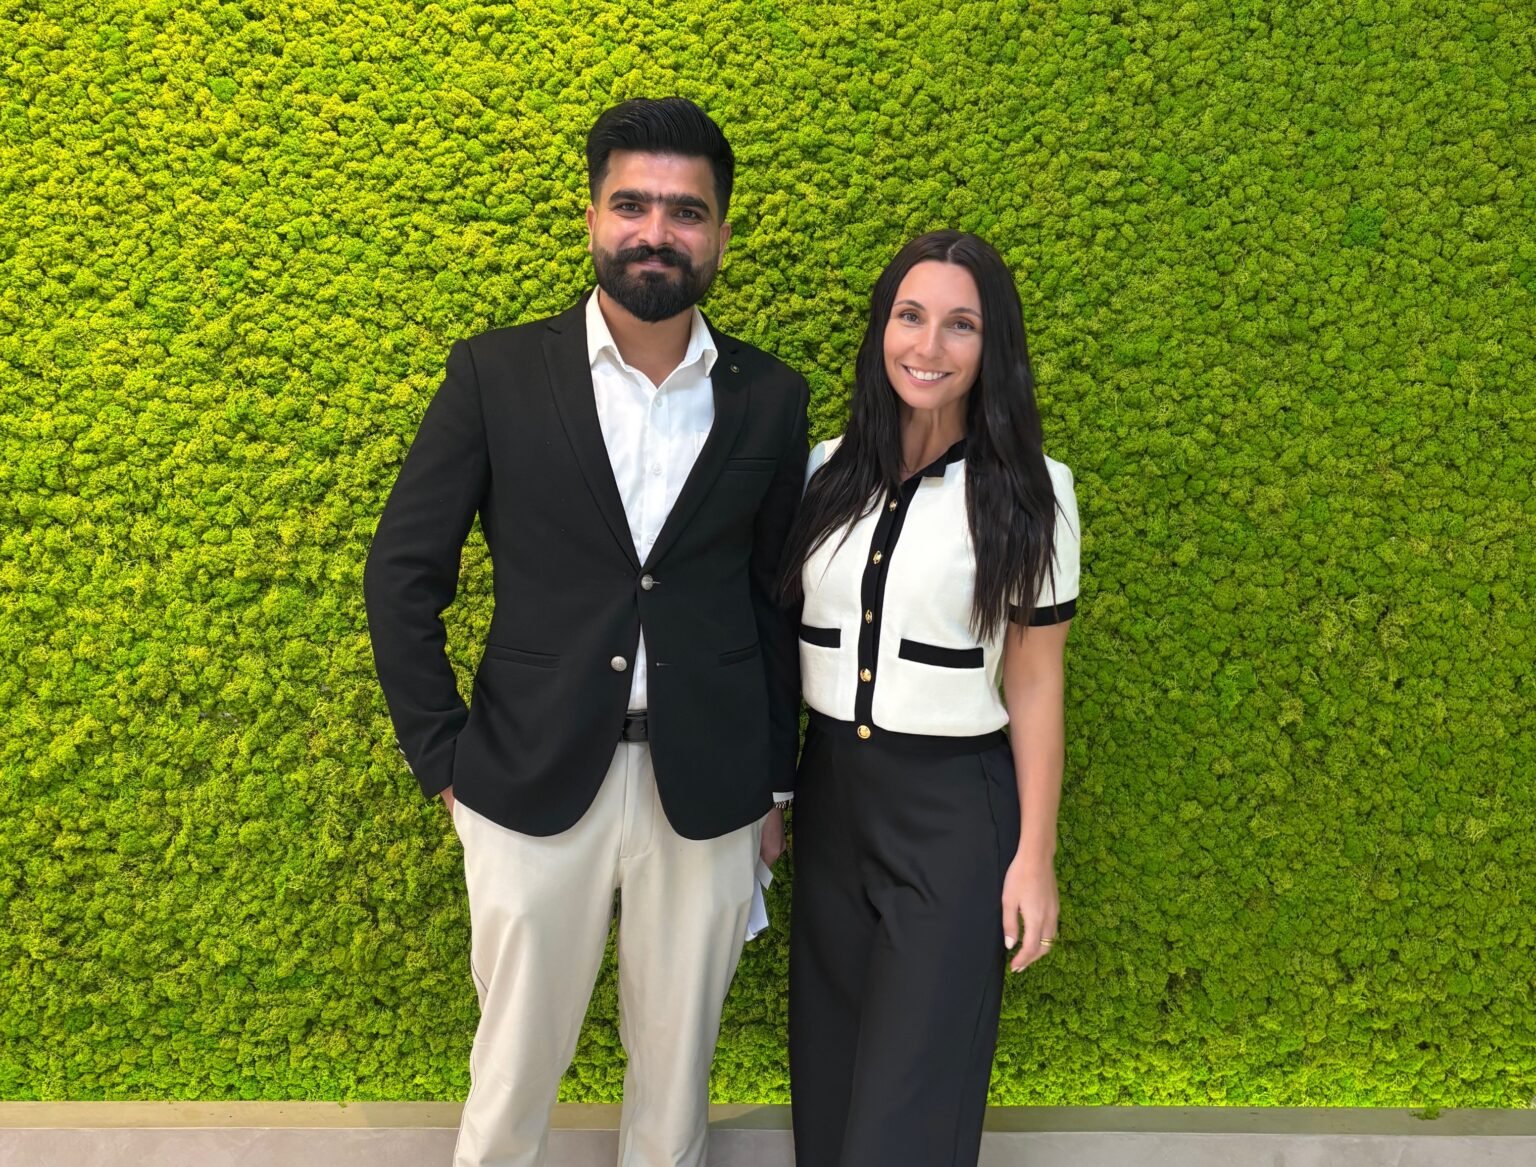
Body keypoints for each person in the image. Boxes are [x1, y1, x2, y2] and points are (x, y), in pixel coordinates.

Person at [363, 97, 808, 1167]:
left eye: (686, 210)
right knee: (513, 1069)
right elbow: (402, 573)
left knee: (677, 1079)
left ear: (722, 233)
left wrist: (778, 785)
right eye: (633, 204)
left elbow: (777, 601)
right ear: (593, 216)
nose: (657, 229)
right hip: (526, 780)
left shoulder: (770, 397)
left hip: (706, 791)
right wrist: (444, 760)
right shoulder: (497, 374)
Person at [781, 230, 1080, 1166]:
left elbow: (1034, 680)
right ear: (883, 328)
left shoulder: (1035, 493)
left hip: (953, 815)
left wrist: (1035, 855)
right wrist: (775, 794)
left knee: (910, 1113)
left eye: (961, 324)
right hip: (831, 798)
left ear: (995, 347)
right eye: (911, 316)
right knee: (825, 1091)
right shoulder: (824, 470)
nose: (929, 345)